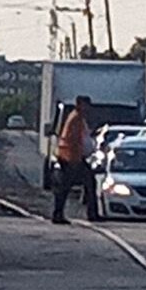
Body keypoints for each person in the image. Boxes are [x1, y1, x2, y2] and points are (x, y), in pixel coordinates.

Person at [53, 94, 99, 224]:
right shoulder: (75, 118)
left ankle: (91, 213)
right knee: (68, 186)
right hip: (70, 157)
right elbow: (74, 140)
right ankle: (59, 214)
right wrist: (76, 159)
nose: (88, 108)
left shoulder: (78, 118)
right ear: (79, 104)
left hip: (73, 156)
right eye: (86, 105)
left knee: (85, 183)